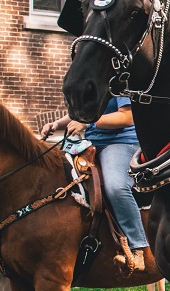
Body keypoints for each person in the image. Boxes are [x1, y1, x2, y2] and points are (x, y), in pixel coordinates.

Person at [42, 97, 149, 272]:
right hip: (90, 145)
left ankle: (138, 249)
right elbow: (81, 116)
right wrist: (56, 124)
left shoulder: (119, 83)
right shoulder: (91, 83)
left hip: (120, 142)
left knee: (116, 187)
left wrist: (88, 123)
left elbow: (127, 117)